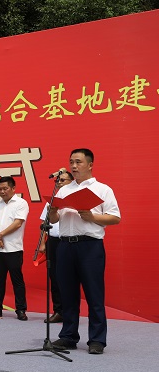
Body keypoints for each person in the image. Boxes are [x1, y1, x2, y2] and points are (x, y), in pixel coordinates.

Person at [49, 148, 120, 355]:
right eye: (71, 162)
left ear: (90, 165)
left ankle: (97, 339)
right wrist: (52, 211)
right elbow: (54, 220)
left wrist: (93, 217)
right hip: (65, 246)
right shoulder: (63, 190)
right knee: (68, 294)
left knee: (94, 295)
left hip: (90, 246)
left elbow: (115, 217)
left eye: (78, 162)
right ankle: (68, 336)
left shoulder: (102, 189)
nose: (73, 166)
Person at [0, 176, 29, 320]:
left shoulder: (21, 203)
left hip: (13, 248)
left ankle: (21, 309)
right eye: (0, 189)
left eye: (5, 188)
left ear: (13, 188)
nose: (2, 192)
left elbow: (18, 223)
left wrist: (0, 235)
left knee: (17, 281)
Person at [38, 171, 74, 323]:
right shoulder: (52, 200)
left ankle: (70, 311)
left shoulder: (74, 199)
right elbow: (44, 223)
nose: (59, 183)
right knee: (54, 276)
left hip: (68, 241)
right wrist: (42, 243)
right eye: (58, 180)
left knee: (69, 277)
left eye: (63, 180)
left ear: (72, 181)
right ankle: (58, 310)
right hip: (52, 241)